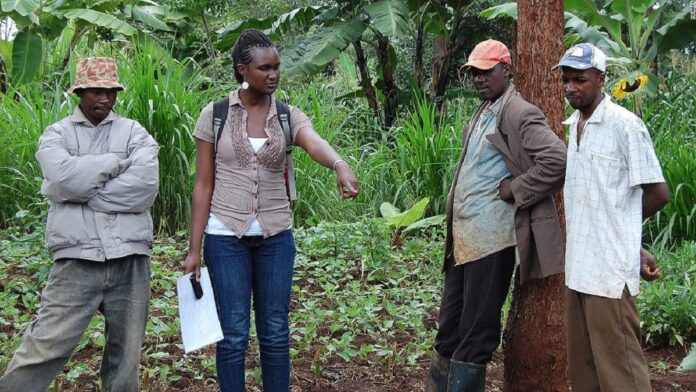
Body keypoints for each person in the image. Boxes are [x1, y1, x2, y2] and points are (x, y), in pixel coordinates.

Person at [183, 29, 359, 392]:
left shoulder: (286, 114)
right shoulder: (214, 115)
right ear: (242, 70)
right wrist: (193, 249)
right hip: (224, 235)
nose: (274, 74)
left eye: (277, 67)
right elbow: (202, 185)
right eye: (264, 68)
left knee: (276, 332)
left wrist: (339, 164)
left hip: (276, 235)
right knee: (232, 334)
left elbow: (313, 141)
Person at [0, 57, 160, 392]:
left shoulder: (134, 132)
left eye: (111, 90)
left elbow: (144, 187)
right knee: (43, 348)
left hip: (129, 258)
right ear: (79, 92)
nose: (105, 97)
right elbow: (60, 180)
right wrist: (114, 164)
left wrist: (84, 191)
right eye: (96, 90)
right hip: (76, 259)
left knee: (126, 356)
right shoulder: (56, 133)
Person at [425, 39, 567, 392]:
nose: (479, 78)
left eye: (487, 71)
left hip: (492, 241)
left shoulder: (517, 111)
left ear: (507, 69)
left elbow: (557, 160)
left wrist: (516, 189)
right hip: (464, 240)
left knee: (477, 333)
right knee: (449, 329)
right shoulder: (484, 109)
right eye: (474, 72)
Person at [556, 43, 669, 392]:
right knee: (585, 372)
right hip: (578, 268)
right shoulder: (573, 125)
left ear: (601, 79)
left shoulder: (625, 127)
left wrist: (625, 236)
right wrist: (633, 243)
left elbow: (658, 193)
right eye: (566, 79)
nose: (571, 87)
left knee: (622, 375)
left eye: (581, 80)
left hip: (608, 274)